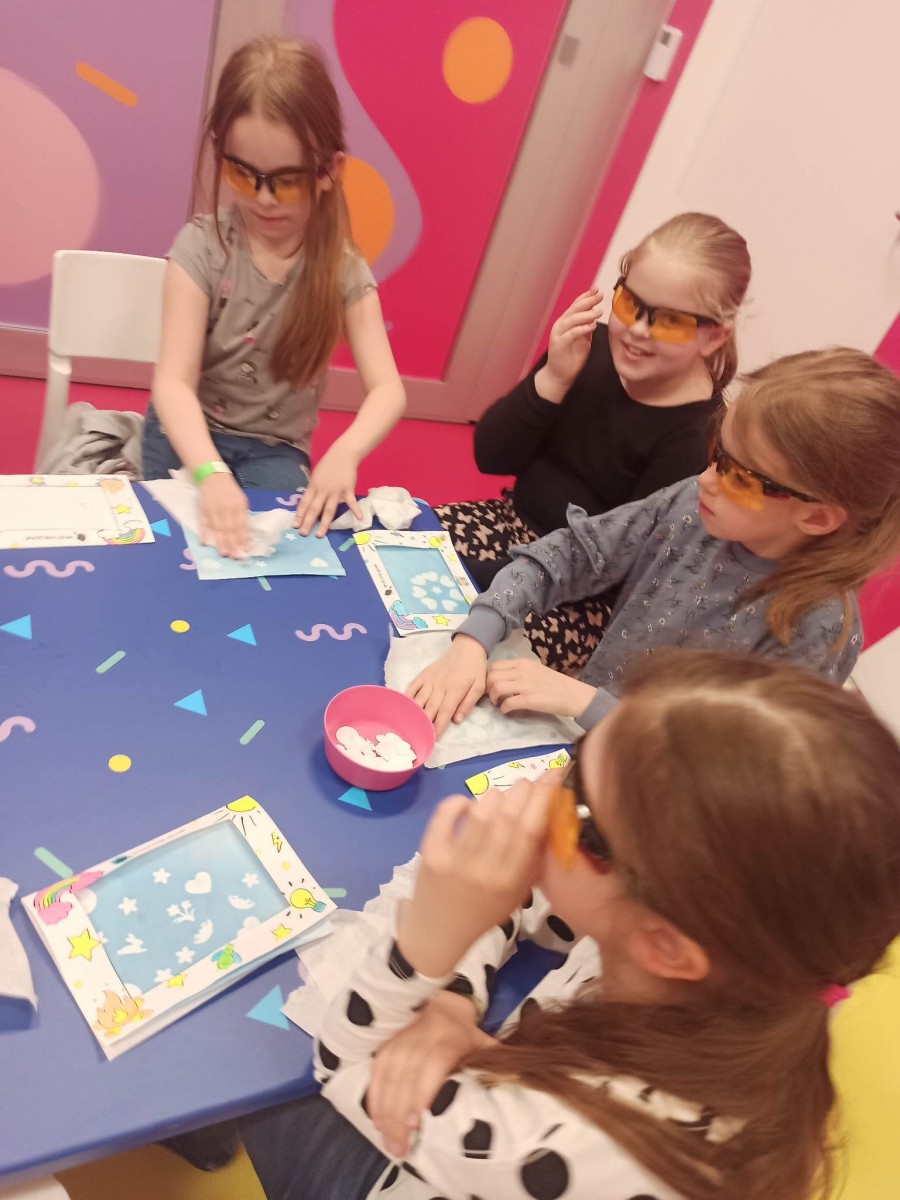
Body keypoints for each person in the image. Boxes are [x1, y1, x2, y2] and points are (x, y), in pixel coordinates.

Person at [240, 650, 900, 1199]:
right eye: (575, 758)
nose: (538, 791)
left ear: (665, 945)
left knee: (254, 1080)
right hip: (486, 1100)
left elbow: (342, 1064)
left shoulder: (570, 1147)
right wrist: (452, 996)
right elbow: (538, 892)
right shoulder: (734, 966)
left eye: (577, 807)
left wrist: (428, 944)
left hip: (425, 1156)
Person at [409, 347, 900, 735]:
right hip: (586, 741)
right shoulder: (692, 504)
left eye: (739, 477)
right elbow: (569, 555)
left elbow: (724, 766)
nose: (706, 479)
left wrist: (587, 703)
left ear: (817, 517)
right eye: (718, 453)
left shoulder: (818, 629)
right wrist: (475, 639)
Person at [434, 212, 751, 673]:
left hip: (578, 595)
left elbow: (612, 565)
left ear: (714, 335)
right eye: (630, 303)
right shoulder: (589, 349)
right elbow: (491, 455)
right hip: (505, 521)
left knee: (446, 642)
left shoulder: (696, 439)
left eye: (670, 321)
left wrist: (465, 577)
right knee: (377, 547)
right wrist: (554, 378)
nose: (638, 329)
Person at [143, 37, 405, 556]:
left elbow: (388, 391)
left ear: (330, 171)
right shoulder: (202, 247)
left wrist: (345, 453)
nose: (262, 199)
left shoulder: (341, 268)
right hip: (186, 436)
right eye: (242, 173)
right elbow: (172, 383)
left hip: (275, 450)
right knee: (168, 556)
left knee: (271, 562)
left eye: (285, 181)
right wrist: (210, 472)